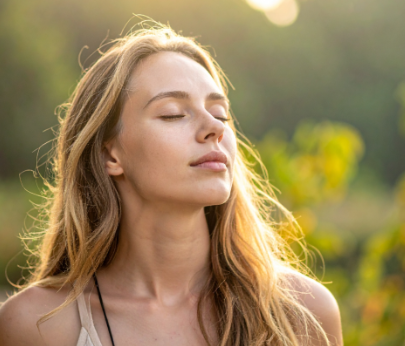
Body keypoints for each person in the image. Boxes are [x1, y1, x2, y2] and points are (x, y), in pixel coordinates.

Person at [0, 19, 343, 346]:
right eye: (173, 114)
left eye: (220, 114)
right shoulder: (37, 325)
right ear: (110, 156)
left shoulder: (302, 313)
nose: (216, 128)